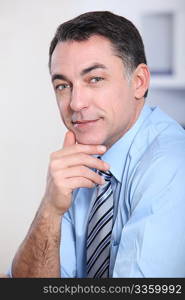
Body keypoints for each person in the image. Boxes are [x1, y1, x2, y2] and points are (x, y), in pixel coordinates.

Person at [11, 11, 185, 278]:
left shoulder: (172, 164)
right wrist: (50, 208)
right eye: (62, 85)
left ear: (139, 82)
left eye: (95, 79)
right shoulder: (82, 159)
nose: (75, 103)